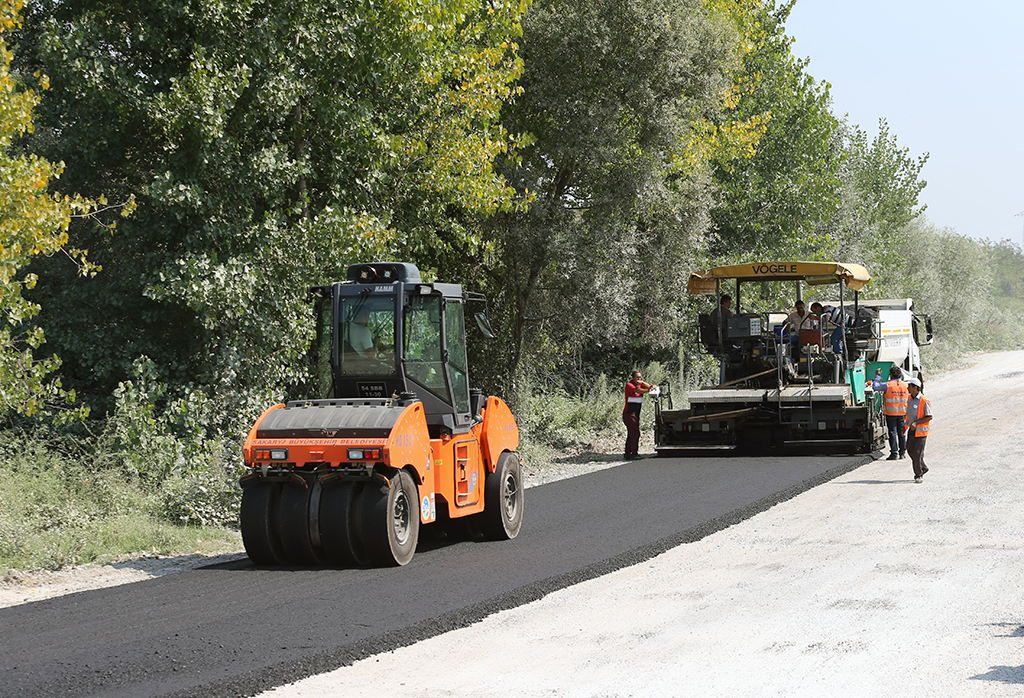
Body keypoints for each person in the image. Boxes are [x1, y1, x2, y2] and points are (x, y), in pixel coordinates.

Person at [873, 366, 909, 460]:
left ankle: (894, 453)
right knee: (902, 433)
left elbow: (875, 387)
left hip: (891, 414)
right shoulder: (905, 385)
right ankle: (902, 453)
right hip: (902, 413)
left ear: (891, 375)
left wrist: (877, 376)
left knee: (892, 433)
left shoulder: (887, 385)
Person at [903, 377, 933, 483]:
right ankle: (923, 467)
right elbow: (908, 415)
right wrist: (905, 427)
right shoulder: (910, 398)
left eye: (909, 386)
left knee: (917, 453)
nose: (907, 388)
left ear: (915, 388)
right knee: (910, 450)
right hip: (912, 430)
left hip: (921, 432)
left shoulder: (924, 401)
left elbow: (929, 416)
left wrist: (916, 423)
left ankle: (918, 474)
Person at [623, 370, 656, 460]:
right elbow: (638, 390)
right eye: (637, 377)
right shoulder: (629, 385)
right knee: (635, 434)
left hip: (636, 413)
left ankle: (627, 454)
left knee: (631, 434)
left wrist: (644, 383)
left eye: (640, 377)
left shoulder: (640, 384)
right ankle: (634, 454)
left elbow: (651, 387)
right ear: (632, 378)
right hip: (629, 414)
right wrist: (649, 390)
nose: (639, 379)